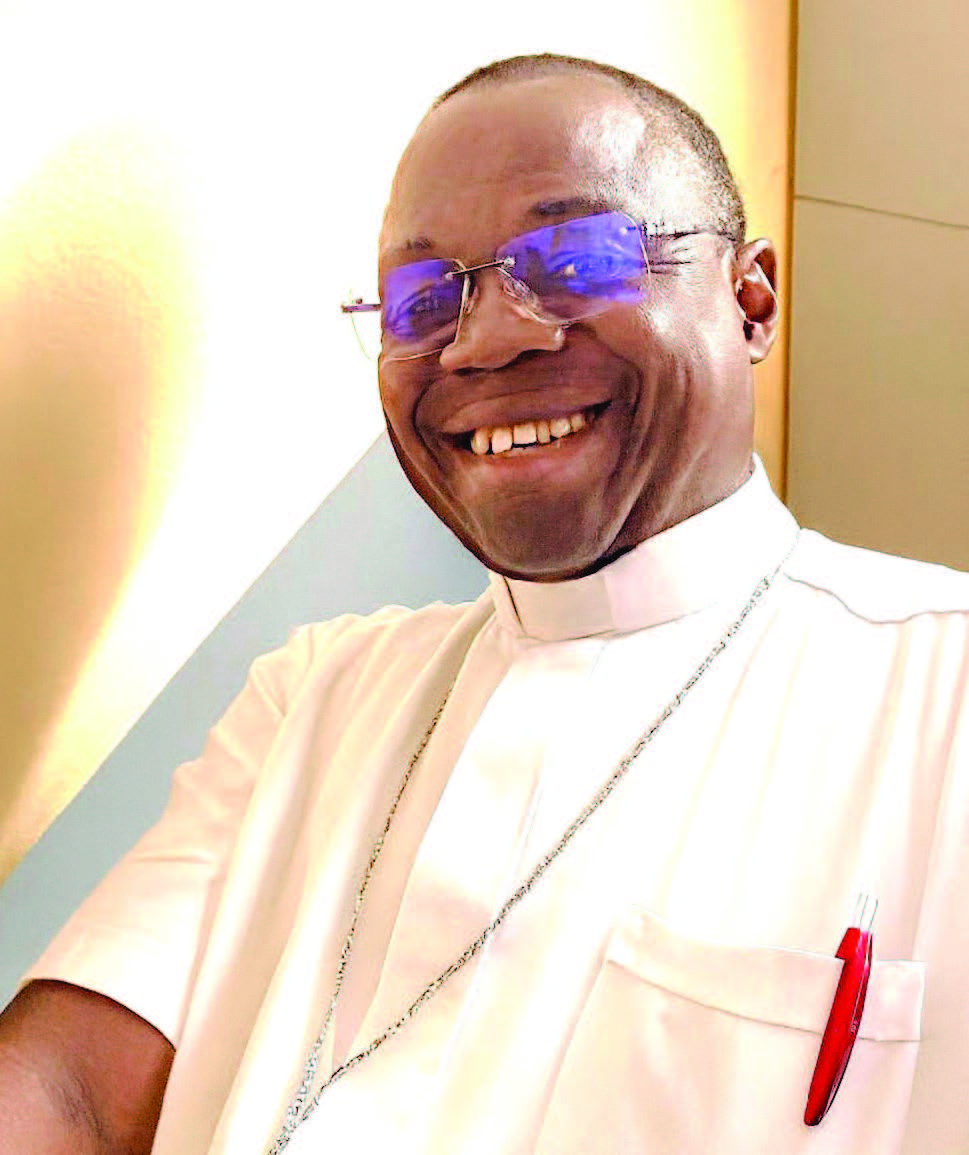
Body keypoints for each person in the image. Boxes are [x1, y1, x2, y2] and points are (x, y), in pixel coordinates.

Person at [1, 52, 967, 1155]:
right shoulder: (312, 692)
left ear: (750, 300)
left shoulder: (942, 691)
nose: (486, 337)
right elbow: (69, 1095)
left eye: (576, 257)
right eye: (423, 300)